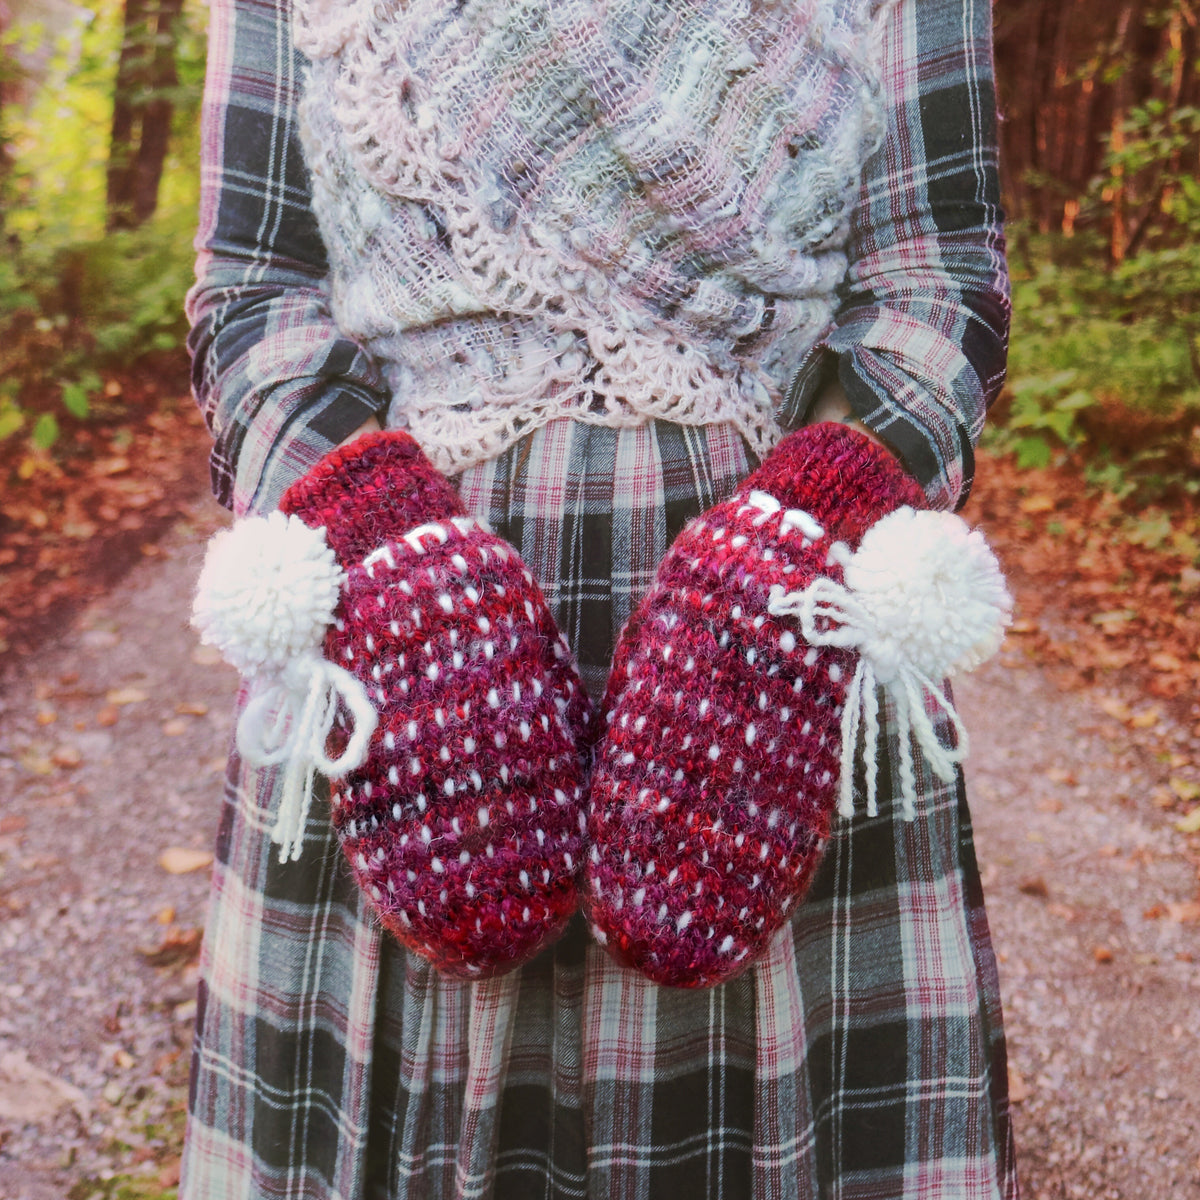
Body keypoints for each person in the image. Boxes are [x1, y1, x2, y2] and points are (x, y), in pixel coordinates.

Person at [180, 0, 1019, 1195]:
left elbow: (940, 285)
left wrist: (808, 532)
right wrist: (384, 552)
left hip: (788, 633)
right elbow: (253, 293)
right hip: (393, 630)